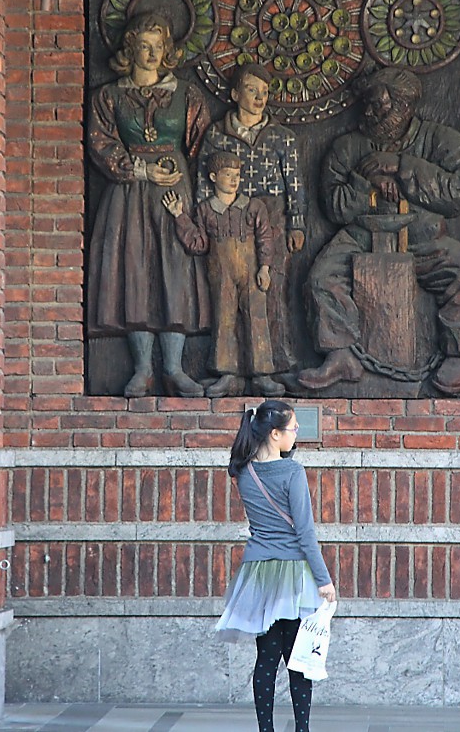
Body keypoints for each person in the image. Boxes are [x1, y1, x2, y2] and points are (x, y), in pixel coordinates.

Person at [298, 67, 460, 396]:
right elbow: (335, 207)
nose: (369, 112)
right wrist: (364, 181)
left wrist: (402, 165)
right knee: (321, 278)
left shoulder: (442, 140)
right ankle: (340, 354)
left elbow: (457, 194)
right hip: (360, 236)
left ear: (405, 106)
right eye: (367, 104)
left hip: (423, 236)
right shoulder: (347, 146)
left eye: (379, 105)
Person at [87, 12, 211, 398]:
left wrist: (179, 174)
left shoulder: (186, 95)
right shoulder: (109, 96)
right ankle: (142, 368)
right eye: (144, 45)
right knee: (136, 272)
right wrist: (141, 169)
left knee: (175, 272)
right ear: (130, 48)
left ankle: (174, 367)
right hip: (130, 193)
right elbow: (102, 143)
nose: (152, 53)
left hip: (174, 191)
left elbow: (201, 145)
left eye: (159, 47)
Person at [216, 400, 336, 732]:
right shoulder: (293, 472)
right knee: (298, 663)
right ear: (274, 433)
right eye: (293, 429)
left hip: (258, 575)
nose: (296, 433)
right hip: (294, 575)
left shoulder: (243, 471)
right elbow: (305, 533)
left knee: (266, 662)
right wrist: (324, 580)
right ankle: (302, 730)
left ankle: (265, 730)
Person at [197, 64, 306, 385]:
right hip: (229, 219)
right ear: (234, 94)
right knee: (226, 295)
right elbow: (203, 181)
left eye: (264, 92)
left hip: (271, 218)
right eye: (251, 89)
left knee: (268, 290)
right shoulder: (218, 133)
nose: (259, 97)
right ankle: (228, 370)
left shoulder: (281, 137)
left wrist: (297, 224)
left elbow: (295, 184)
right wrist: (203, 220)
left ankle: (270, 367)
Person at [162, 151, 284, 398]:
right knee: (223, 321)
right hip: (221, 275)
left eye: (237, 175)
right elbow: (199, 244)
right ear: (214, 177)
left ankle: (262, 375)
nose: (233, 179)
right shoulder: (206, 210)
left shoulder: (253, 207)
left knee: (257, 319)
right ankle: (227, 374)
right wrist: (179, 216)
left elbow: (265, 239)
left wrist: (264, 268)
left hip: (251, 273)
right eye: (228, 175)